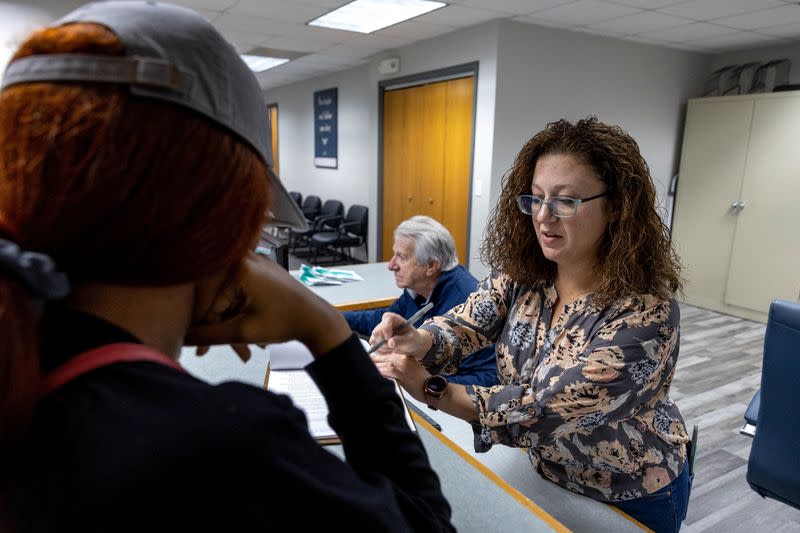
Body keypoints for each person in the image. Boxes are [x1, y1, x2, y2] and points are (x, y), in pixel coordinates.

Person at [0, 2, 453, 531]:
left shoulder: (27, 368)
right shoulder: (222, 444)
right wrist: (323, 328)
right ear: (217, 217)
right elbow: (425, 523)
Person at [370, 117, 692, 532]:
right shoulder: (525, 275)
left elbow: (544, 408)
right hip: (547, 473)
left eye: (565, 201)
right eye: (536, 199)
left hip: (629, 493)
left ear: (615, 207)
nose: (543, 216)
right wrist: (419, 338)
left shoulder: (647, 314)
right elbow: (467, 323)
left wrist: (434, 390)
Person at [344, 216, 498, 386]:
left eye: (401, 257)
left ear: (431, 265)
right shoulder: (419, 288)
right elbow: (383, 319)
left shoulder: (469, 302)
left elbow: (486, 378)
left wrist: (416, 378)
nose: (391, 265)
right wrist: (334, 316)